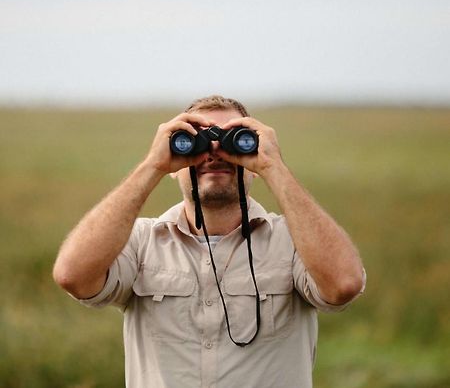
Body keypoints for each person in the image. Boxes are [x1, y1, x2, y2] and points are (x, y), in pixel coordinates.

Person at [53, 95, 365, 388]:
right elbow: (73, 276)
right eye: (196, 140)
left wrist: (275, 167)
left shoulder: (293, 241)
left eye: (233, 140)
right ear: (176, 163)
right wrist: (152, 166)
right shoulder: (141, 242)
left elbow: (343, 285)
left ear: (253, 160)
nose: (214, 153)